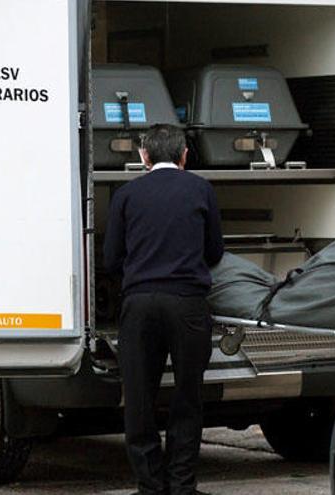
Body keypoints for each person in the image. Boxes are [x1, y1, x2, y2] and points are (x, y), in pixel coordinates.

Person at [104, 124, 224, 495]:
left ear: (144, 156)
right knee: (188, 397)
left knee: (139, 398)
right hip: (187, 304)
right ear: (184, 155)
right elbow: (215, 252)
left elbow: (111, 259)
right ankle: (182, 485)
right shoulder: (201, 189)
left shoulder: (126, 194)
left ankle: (150, 485)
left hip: (139, 305)